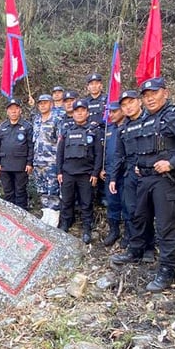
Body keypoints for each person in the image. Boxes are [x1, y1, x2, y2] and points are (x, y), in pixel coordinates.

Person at [111, 77, 175, 291]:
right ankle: (136, 250)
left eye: (154, 93)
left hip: (167, 181)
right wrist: (139, 164)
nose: (150, 98)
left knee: (165, 226)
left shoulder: (173, 116)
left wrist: (172, 162)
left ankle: (167, 270)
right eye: (146, 96)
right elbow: (141, 147)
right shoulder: (146, 119)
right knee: (139, 216)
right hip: (146, 178)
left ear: (165, 92)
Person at [109, 90, 156, 259]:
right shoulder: (123, 129)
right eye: (124, 105)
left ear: (139, 102)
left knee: (148, 210)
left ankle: (149, 248)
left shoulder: (151, 121)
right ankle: (135, 249)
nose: (128, 107)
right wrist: (113, 178)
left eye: (131, 103)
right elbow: (118, 156)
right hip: (130, 175)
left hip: (150, 174)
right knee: (132, 211)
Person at [57, 99, 103, 243]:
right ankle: (65, 224)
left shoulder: (94, 131)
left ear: (87, 113)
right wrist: (59, 172)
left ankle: (87, 229)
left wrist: (95, 173)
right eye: (77, 111)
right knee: (66, 201)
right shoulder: (67, 131)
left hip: (86, 174)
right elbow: (60, 153)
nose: (79, 113)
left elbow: (99, 154)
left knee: (86, 203)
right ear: (74, 113)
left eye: (82, 110)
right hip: (68, 173)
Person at [0, 98, 34, 210]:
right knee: (8, 192)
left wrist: (29, 163)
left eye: (16, 108)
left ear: (20, 110)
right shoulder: (2, 127)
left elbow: (31, 146)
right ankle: (10, 216)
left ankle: (22, 216)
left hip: (21, 165)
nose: (13, 111)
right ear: (7, 112)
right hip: (5, 166)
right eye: (11, 109)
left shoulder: (27, 126)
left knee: (20, 191)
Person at [31, 93, 62, 226]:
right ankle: (46, 214)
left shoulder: (57, 119)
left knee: (53, 190)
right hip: (38, 162)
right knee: (42, 190)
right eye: (40, 103)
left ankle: (54, 215)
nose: (42, 105)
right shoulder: (36, 120)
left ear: (51, 103)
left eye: (45, 102)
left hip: (52, 161)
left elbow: (60, 142)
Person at [100, 105, 128, 247]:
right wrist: (102, 168)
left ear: (123, 111)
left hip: (125, 173)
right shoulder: (108, 130)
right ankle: (114, 231)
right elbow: (104, 151)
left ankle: (128, 235)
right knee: (112, 204)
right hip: (110, 174)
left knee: (128, 205)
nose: (111, 114)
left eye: (114, 111)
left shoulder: (129, 126)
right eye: (109, 111)